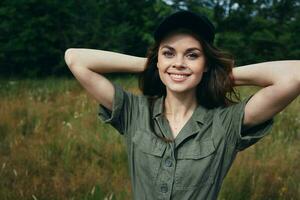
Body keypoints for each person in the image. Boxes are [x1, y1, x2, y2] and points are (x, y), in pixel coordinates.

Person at [64, 10, 300, 200]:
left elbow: (295, 74)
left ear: (205, 63)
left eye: (192, 55)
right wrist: (153, 65)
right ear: (157, 58)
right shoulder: (133, 111)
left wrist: (216, 74)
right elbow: (75, 58)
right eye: (168, 53)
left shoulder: (226, 122)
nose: (178, 63)